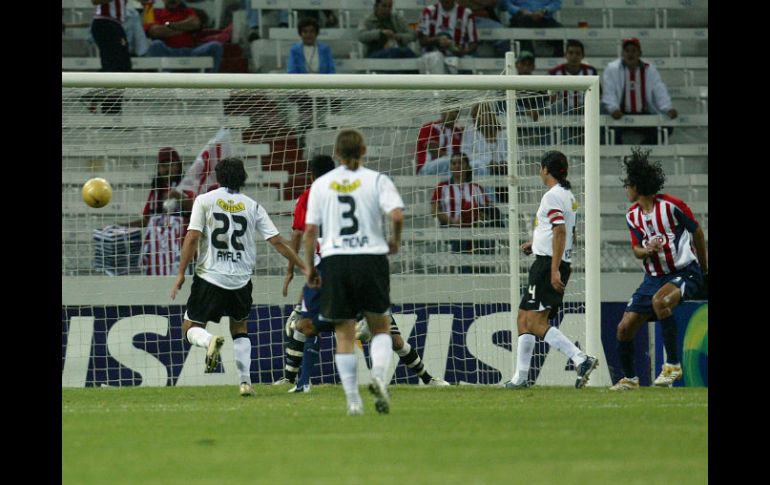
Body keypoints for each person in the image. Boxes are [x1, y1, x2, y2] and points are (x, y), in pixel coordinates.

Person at [275, 157, 450, 391]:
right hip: (357, 270)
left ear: (311, 176)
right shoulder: (354, 193)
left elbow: (299, 235)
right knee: (385, 336)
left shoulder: (309, 197)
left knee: (307, 325)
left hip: (338, 271)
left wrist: (291, 269)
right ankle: (296, 380)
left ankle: (427, 378)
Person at [170, 158, 308, 397]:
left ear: (218, 177)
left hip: (210, 277)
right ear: (243, 178)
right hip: (241, 280)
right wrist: (304, 266)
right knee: (240, 328)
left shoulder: (204, 200)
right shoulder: (252, 206)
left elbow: (192, 237)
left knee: (190, 328)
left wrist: (181, 273)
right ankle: (245, 382)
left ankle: (209, 341)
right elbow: (277, 241)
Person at [304, 129, 404, 415]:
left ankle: (353, 402)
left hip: (336, 261)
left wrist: (310, 267)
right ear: (364, 151)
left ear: (336, 153)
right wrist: (395, 240)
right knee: (380, 326)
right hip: (371, 258)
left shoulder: (322, 184)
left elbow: (310, 230)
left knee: (344, 333)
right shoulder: (377, 180)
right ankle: (379, 377)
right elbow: (397, 215)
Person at [609, 148, 707, 391]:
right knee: (623, 328)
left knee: (660, 302)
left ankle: (672, 365)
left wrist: (704, 269)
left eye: (627, 185)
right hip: (652, 278)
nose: (626, 189)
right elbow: (636, 249)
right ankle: (630, 379)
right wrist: (647, 251)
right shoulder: (632, 215)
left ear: (637, 186)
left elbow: (697, 231)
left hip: (684, 271)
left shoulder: (672, 206)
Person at [503, 151, 599, 389]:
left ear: (546, 169)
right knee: (523, 317)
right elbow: (568, 232)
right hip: (549, 261)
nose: (539, 172)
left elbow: (560, 231)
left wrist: (555, 269)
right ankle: (520, 378)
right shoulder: (568, 195)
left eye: (540, 168)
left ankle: (580, 358)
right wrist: (536, 244)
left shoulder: (552, 196)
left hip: (548, 265)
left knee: (535, 322)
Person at [601, 38, 678, 145]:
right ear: (622, 53)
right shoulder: (612, 69)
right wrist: (613, 109)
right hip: (620, 114)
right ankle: (620, 153)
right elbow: (609, 92)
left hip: (643, 114)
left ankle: (642, 151)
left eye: (633, 51)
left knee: (666, 127)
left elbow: (659, 90)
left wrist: (668, 108)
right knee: (607, 128)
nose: (630, 54)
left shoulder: (649, 69)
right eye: (627, 51)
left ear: (640, 53)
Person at [127, 147, 189, 276]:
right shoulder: (156, 189)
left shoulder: (187, 186)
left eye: (171, 164)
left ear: (178, 166)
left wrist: (178, 196)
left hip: (182, 244)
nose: (167, 169)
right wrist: (126, 226)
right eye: (163, 165)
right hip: (159, 249)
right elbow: (147, 219)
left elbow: (195, 209)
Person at [431, 152, 494, 273]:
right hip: (451, 227)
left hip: (474, 228)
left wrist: (478, 217)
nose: (457, 166)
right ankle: (465, 274)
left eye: (461, 163)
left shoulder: (476, 187)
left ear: (467, 166)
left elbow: (486, 211)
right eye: (454, 163)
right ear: (450, 167)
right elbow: (435, 211)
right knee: (460, 237)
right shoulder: (442, 187)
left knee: (484, 239)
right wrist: (452, 221)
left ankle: (483, 274)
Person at [144, 0, 224, 73]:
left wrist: (168, 25)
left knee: (216, 46)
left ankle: (208, 82)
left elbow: (195, 24)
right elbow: (155, 31)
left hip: (191, 52)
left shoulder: (188, 11)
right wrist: (185, 28)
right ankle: (167, 80)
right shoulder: (154, 12)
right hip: (168, 52)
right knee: (155, 45)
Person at [547, 39, 598, 143]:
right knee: (557, 107)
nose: (574, 56)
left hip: (585, 108)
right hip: (564, 110)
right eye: (571, 53)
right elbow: (551, 98)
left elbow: (597, 94)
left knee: (599, 107)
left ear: (583, 56)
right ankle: (565, 144)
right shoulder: (555, 72)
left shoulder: (591, 71)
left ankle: (595, 143)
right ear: (565, 55)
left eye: (578, 53)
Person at [88, 0, 132, 114]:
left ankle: (97, 96)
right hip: (106, 23)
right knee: (117, 68)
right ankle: (110, 110)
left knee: (119, 67)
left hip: (113, 24)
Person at [418, 0, 478, 74]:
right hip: (432, 53)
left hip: (458, 55)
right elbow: (422, 41)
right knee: (436, 57)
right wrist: (437, 40)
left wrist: (462, 51)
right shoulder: (429, 11)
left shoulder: (466, 13)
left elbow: (474, 43)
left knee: (467, 61)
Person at [415, 104, 464, 176]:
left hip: (450, 165)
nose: (454, 114)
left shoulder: (458, 132)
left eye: (457, 112)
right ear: (443, 111)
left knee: (476, 165)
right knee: (450, 163)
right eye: (450, 110)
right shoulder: (430, 127)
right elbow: (435, 152)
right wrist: (456, 160)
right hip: (428, 166)